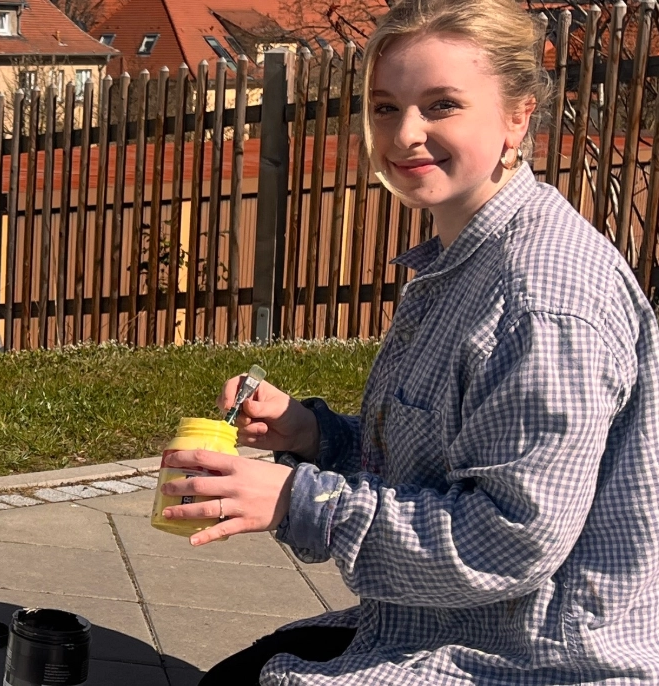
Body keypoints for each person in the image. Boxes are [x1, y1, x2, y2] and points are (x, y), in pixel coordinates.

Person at [159, 0, 659, 683]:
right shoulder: (464, 258)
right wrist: (315, 436)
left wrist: (294, 501)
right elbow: (448, 458)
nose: (404, 135)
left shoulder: (541, 300)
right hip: (433, 622)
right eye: (386, 107)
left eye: (442, 104)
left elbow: (509, 542)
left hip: (534, 660)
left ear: (518, 116)